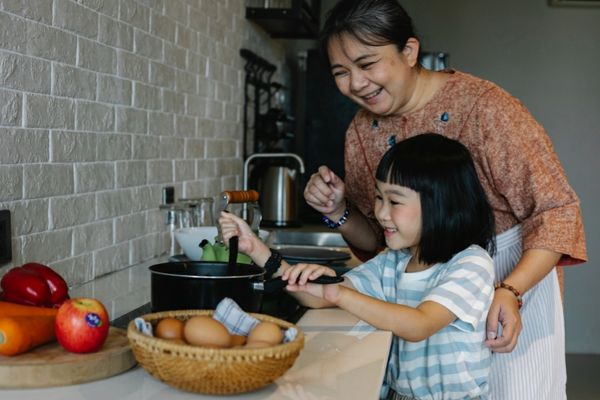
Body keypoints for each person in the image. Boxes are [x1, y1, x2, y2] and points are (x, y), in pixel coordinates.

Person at [301, 1, 587, 399]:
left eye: (368, 64)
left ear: (410, 51)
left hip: (510, 275)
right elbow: (382, 238)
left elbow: (557, 212)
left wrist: (511, 291)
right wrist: (338, 211)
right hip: (422, 302)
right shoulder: (360, 132)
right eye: (341, 73)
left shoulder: (487, 108)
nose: (356, 83)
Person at [220, 133, 498, 399]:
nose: (381, 213)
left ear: (442, 205)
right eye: (379, 197)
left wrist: (340, 294)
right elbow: (315, 296)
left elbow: (420, 324)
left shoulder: (471, 263)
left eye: (395, 201)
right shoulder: (394, 261)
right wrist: (256, 249)